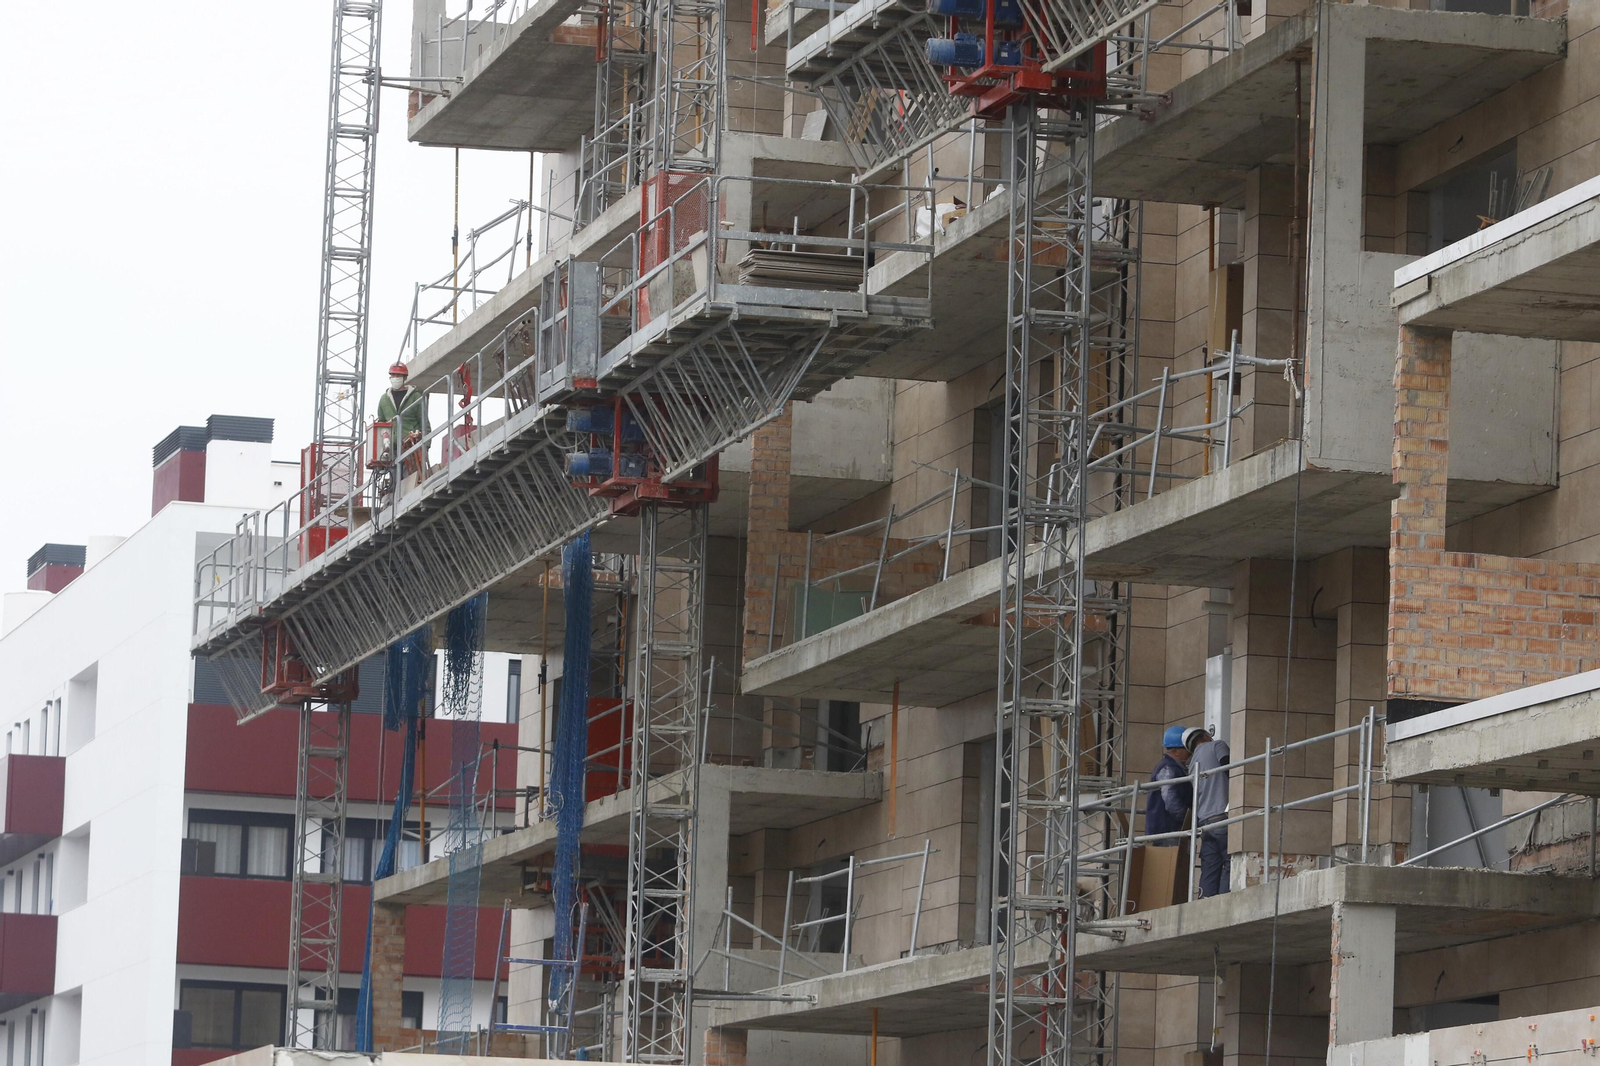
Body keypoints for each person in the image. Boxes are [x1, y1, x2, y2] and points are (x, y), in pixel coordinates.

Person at [1186, 726, 1232, 897]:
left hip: (1205, 822)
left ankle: (1206, 902)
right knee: (1230, 862)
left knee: (1210, 868)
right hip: (1222, 815)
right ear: (1205, 736)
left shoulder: (1192, 764)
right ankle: (1225, 902)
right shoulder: (1217, 745)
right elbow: (1231, 769)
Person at [376, 362, 430, 477]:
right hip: (392, 450)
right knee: (394, 482)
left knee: (410, 479)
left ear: (405, 377)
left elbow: (424, 423)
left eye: (398, 376)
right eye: (393, 375)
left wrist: (426, 446)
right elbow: (381, 426)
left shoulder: (415, 397)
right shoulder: (384, 399)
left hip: (411, 448)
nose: (395, 378)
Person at [1146, 725, 1194, 845]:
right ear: (1176, 751)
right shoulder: (1169, 768)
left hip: (1167, 830)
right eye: (1187, 748)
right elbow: (1171, 800)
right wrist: (1188, 821)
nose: (1190, 752)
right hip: (1169, 832)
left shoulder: (1170, 767)